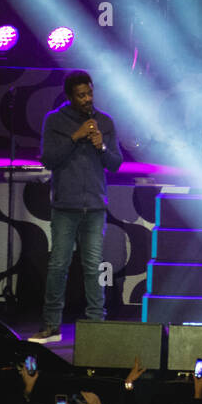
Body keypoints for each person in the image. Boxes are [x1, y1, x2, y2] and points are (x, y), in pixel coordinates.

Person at [34, 70, 123, 342]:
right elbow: (48, 159)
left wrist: (103, 147)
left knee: (93, 266)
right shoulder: (55, 121)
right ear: (70, 96)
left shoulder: (104, 122)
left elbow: (116, 164)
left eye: (90, 93)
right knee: (58, 265)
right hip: (65, 206)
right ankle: (51, 325)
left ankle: (96, 323)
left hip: (95, 206)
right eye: (81, 95)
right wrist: (76, 137)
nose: (87, 99)